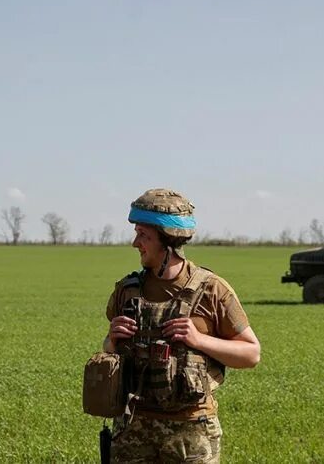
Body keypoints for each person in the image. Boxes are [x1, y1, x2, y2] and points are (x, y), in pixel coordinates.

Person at [103, 188, 260, 463]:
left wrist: (199, 340)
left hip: (191, 432)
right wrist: (112, 341)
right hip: (133, 429)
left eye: (143, 235)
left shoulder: (212, 290)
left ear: (167, 240)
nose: (135, 243)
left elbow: (251, 354)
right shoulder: (126, 291)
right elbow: (108, 351)